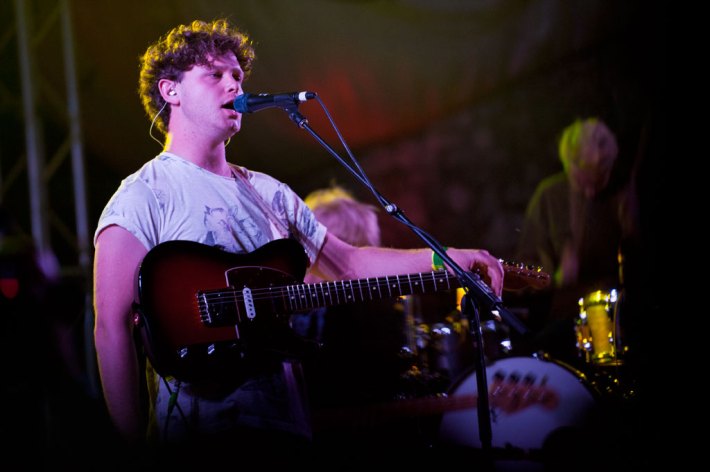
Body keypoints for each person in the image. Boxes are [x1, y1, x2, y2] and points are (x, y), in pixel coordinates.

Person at [92, 18, 504, 467]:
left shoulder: (270, 193)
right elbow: (111, 326)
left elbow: (349, 265)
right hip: (199, 437)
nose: (233, 84)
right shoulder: (143, 195)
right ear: (170, 90)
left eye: (238, 75)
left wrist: (451, 260)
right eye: (215, 74)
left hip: (286, 429)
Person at [516, 117, 638, 367]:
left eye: (600, 178)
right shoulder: (549, 197)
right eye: (584, 181)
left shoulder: (626, 190)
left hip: (622, 313)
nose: (591, 193)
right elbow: (524, 270)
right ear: (570, 166)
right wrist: (555, 277)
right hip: (567, 318)